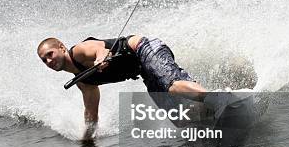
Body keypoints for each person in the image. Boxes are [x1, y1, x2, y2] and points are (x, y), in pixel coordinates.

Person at [37, 35, 207, 140]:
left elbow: (99, 49)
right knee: (180, 119)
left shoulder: (79, 52)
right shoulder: (84, 82)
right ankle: (211, 115)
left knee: (172, 86)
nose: (49, 61)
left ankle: (218, 98)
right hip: (143, 69)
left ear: (61, 47)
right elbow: (91, 115)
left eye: (50, 54)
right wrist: (86, 141)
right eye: (44, 60)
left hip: (144, 48)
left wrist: (101, 58)